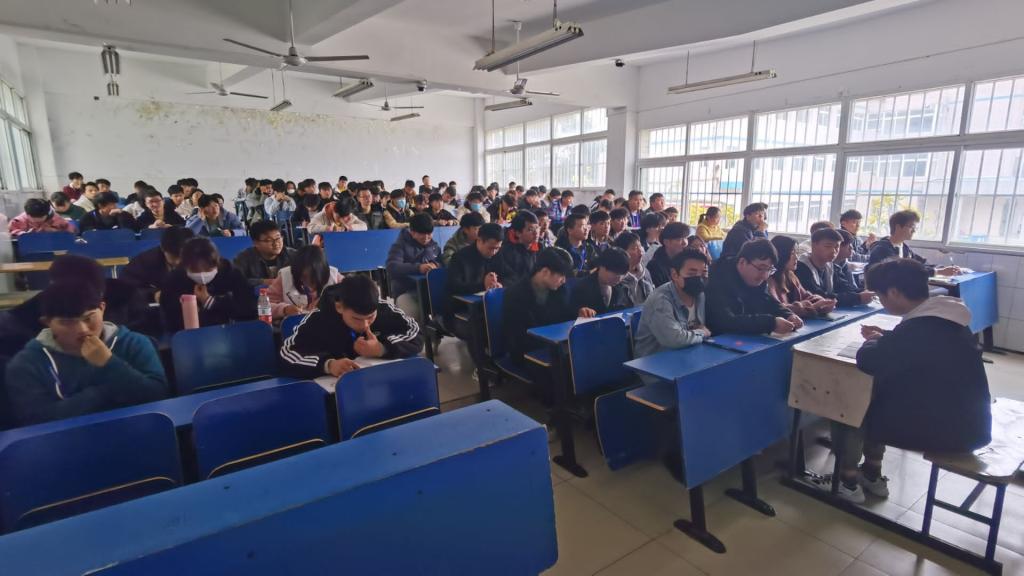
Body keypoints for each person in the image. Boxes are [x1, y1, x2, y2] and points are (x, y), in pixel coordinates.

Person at [828, 259, 992, 503]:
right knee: (873, 394)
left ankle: (846, 481)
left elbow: (867, 360)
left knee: (847, 404)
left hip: (947, 431)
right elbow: (915, 347)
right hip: (968, 422)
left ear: (894, 292)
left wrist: (873, 340)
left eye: (881, 296)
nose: (881, 301)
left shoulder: (920, 328)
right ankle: (872, 473)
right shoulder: (946, 317)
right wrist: (885, 338)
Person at [3, 282, 169, 426]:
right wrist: (101, 393)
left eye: (89, 318)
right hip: (63, 445)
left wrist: (109, 363)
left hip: (137, 433)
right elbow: (37, 420)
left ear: (102, 308)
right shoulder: (27, 363)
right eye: (67, 323)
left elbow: (157, 396)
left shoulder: (134, 343)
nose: (82, 329)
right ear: (47, 322)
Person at [280, 275, 422, 378]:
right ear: (339, 307)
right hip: (335, 392)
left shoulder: (383, 308)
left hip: (379, 381)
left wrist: (382, 349)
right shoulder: (319, 318)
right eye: (357, 319)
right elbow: (287, 354)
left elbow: (415, 332)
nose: (365, 325)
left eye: (370, 317)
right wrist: (328, 365)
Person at [706, 239, 804, 335]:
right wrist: (771, 324)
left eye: (769, 269)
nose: (764, 276)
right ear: (742, 262)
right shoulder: (717, 277)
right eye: (761, 268)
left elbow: (766, 299)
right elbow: (725, 321)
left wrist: (787, 314)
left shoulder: (758, 277)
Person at [160, 237, 257, 333]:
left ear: (217, 264)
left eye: (207, 269)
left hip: (230, 332)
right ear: (185, 267)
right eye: (195, 270)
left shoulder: (229, 272)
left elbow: (249, 307)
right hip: (190, 335)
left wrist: (210, 301)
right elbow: (168, 318)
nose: (202, 274)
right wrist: (191, 310)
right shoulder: (174, 280)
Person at [502, 247, 578, 366]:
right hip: (527, 355)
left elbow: (566, 316)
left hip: (554, 348)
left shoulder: (560, 290)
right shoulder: (515, 295)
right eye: (561, 276)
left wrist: (579, 313)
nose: (564, 281)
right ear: (545, 272)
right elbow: (518, 339)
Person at [633, 249, 711, 357]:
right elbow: (674, 340)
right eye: (692, 273)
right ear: (675, 275)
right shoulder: (660, 300)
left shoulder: (700, 294)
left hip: (687, 355)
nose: (699, 278)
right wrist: (702, 332)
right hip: (655, 361)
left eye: (704, 273)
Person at [796, 228, 874, 308]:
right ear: (813, 245)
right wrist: (858, 298)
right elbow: (819, 296)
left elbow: (845, 288)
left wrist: (868, 292)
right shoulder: (800, 268)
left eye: (837, 247)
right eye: (828, 246)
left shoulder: (831, 266)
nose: (833, 251)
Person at [868, 210, 959, 276]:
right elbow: (904, 270)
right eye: (911, 227)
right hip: (883, 292)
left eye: (915, 228)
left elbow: (921, 263)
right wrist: (939, 272)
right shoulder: (882, 248)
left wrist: (943, 268)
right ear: (898, 227)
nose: (914, 231)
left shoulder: (904, 247)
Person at [385, 213, 441, 320]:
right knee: (412, 315)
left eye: (429, 233)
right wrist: (418, 268)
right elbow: (392, 266)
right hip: (407, 291)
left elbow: (442, 262)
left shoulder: (434, 246)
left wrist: (435, 264)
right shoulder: (399, 246)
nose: (426, 237)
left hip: (429, 291)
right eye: (422, 234)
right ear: (412, 232)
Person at [768, 236, 836, 319]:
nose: (796, 257)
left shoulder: (791, 275)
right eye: (792, 253)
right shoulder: (770, 280)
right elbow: (778, 309)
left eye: (796, 253)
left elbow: (806, 296)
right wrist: (812, 307)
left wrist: (822, 303)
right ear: (781, 254)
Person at [268, 245, 343, 320]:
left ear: (323, 272)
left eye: (313, 278)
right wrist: (284, 309)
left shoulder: (335, 278)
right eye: (303, 277)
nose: (307, 282)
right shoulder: (285, 277)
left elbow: (349, 303)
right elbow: (265, 306)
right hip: (294, 324)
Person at [122, 226, 195, 303]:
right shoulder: (144, 261)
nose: (178, 262)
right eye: (174, 256)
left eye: (183, 256)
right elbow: (125, 289)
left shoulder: (199, 260)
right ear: (162, 248)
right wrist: (152, 295)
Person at [446, 223, 504, 299]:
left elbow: (510, 276)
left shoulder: (498, 254)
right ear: (479, 240)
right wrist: (483, 285)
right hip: (466, 303)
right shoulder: (460, 258)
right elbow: (455, 287)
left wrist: (500, 284)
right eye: (490, 248)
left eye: (497, 248)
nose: (494, 252)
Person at [233, 220, 296, 288]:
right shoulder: (243, 258)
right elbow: (235, 281)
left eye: (278, 238)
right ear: (256, 243)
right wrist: (263, 282)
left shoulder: (293, 255)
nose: (276, 243)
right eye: (269, 240)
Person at [569, 247, 631, 316]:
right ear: (602, 266)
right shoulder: (581, 288)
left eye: (623, 274)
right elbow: (571, 315)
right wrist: (581, 312)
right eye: (616, 274)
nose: (619, 278)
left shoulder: (622, 288)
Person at [494, 211, 539, 287]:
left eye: (537, 228)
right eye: (530, 230)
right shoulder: (505, 252)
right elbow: (508, 279)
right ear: (518, 233)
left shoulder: (540, 247)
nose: (536, 233)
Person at [614, 232, 655, 307]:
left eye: (640, 247)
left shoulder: (645, 272)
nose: (640, 252)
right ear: (623, 252)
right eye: (634, 248)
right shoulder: (616, 278)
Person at [646, 222, 690, 287]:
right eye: (679, 239)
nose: (685, 243)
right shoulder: (655, 266)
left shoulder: (688, 260)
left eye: (686, 238)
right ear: (666, 242)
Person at [555, 213, 595, 278]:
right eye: (582, 226)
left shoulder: (589, 248)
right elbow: (564, 272)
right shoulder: (560, 250)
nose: (586, 229)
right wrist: (586, 273)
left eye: (586, 226)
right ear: (570, 230)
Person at [8, 198, 73, 236]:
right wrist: (24, 234)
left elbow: (70, 231)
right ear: (27, 214)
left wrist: (56, 231)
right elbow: (10, 232)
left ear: (47, 213)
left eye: (41, 217)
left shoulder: (56, 218)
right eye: (34, 218)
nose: (37, 220)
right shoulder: (19, 221)